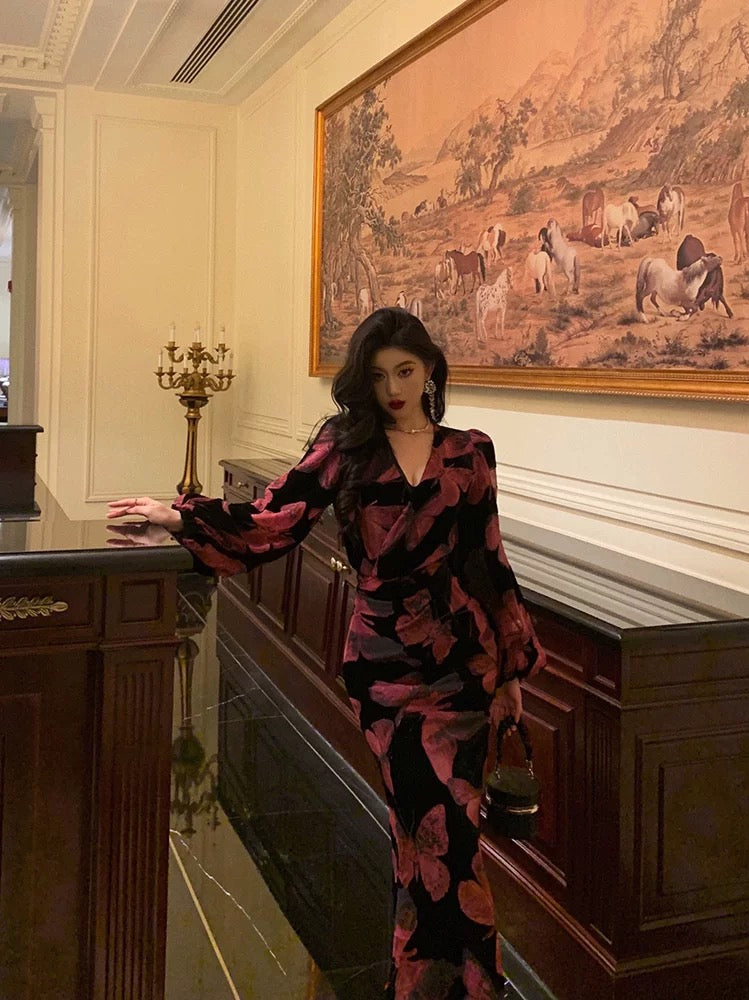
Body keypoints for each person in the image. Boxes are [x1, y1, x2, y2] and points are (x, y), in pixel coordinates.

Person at [108, 307, 546, 999]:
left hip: (466, 669)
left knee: (451, 836)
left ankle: (449, 985)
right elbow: (274, 521)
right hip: (386, 671)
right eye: (378, 375)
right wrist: (180, 515)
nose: (393, 388)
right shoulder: (346, 446)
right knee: (424, 830)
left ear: (431, 370)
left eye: (406, 370)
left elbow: (488, 560)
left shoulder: (470, 451)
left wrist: (513, 671)